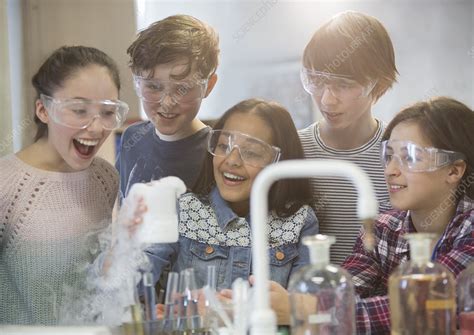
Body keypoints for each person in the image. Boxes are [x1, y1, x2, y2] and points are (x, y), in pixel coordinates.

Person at [247, 97, 474, 334]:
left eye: (409, 157)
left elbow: (424, 305)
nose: (390, 171)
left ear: (454, 170)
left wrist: (306, 309)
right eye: (389, 156)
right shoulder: (383, 228)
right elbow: (346, 290)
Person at [0, 46, 127, 325]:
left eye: (108, 112)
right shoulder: (7, 186)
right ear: (43, 110)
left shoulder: (106, 178)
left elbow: (94, 279)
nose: (96, 128)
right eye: (79, 110)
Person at [144, 99, 318, 290]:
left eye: (251, 152)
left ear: (279, 162)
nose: (232, 160)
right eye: (223, 146)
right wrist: (125, 246)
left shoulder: (300, 221)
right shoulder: (183, 210)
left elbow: (304, 306)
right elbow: (133, 280)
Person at [298, 11, 398, 264]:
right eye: (317, 81)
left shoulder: (399, 159)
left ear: (380, 84)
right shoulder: (292, 151)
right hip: (302, 299)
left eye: (343, 85)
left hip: (377, 302)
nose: (327, 99)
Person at [116, 14, 219, 201]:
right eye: (153, 87)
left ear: (209, 85)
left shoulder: (218, 154)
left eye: (183, 88)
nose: (167, 102)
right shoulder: (131, 139)